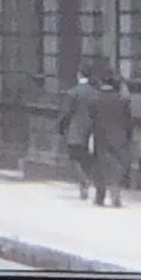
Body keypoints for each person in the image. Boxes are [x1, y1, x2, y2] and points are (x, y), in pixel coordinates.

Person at [89, 66, 135, 208]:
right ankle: (115, 191)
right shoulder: (122, 100)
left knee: (100, 164)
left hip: (100, 135)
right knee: (117, 164)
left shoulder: (95, 99)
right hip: (119, 136)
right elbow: (129, 120)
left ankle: (100, 195)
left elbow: (90, 118)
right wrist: (128, 135)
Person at [57, 69, 97, 200]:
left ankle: (83, 181)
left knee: (74, 159)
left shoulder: (72, 93)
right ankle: (83, 188)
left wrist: (61, 127)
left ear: (79, 75)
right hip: (91, 131)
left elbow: (66, 113)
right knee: (86, 160)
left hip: (75, 130)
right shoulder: (95, 93)